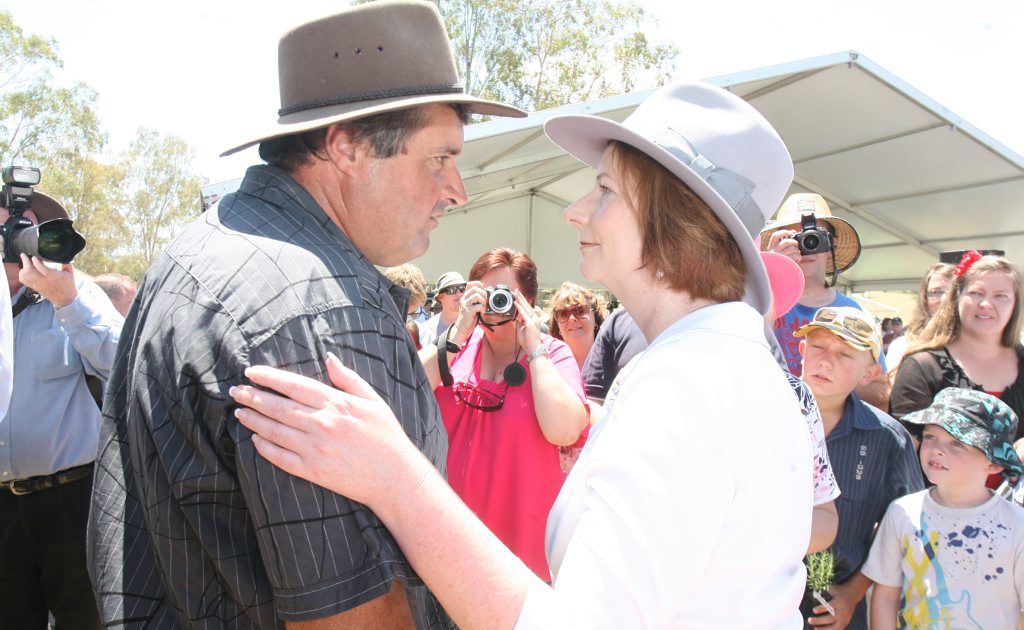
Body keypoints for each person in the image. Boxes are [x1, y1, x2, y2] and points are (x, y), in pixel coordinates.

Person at [231, 80, 815, 627]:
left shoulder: (689, 386)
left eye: (606, 188)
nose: (576, 209)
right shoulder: (720, 367)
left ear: (673, 219)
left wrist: (394, 476)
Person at [87, 2, 524, 628]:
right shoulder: (320, 311)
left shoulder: (199, 250)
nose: (457, 190)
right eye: (437, 159)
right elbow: (355, 612)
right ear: (345, 147)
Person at [415, 248, 589, 579]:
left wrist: (533, 347)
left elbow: (563, 430)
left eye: (505, 296)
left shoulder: (550, 354)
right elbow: (405, 389)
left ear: (529, 300)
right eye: (483, 293)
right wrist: (456, 334)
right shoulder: (455, 347)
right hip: (451, 539)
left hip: (522, 551)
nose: (494, 304)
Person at [1, 192, 122, 629]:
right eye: (8, 233)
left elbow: (124, 366)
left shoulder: (75, 289)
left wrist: (66, 302)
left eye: (25, 229)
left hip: (72, 503)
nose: (18, 242)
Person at [794, 307, 925, 629]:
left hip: (833, 607)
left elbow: (902, 529)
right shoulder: (758, 415)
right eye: (818, 346)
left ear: (869, 373)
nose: (826, 361)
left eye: (845, 354)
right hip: (754, 600)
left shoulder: (887, 439)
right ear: (801, 350)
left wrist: (853, 594)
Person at [862, 388, 1024, 629]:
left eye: (957, 443)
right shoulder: (902, 512)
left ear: (993, 464)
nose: (937, 449)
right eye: (930, 436)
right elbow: (885, 595)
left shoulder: (1016, 524)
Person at [891, 252, 1024, 444]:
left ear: (1015, 305)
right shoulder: (922, 367)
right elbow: (903, 453)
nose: (986, 304)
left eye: (1001, 296)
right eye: (976, 293)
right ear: (957, 297)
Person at [885, 263, 954, 369]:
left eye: (953, 292)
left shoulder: (975, 346)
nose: (944, 299)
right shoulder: (902, 346)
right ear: (924, 298)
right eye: (936, 292)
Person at [547, 282, 605, 369]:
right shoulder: (547, 364)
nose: (571, 318)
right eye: (563, 313)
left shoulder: (612, 359)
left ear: (595, 319)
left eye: (580, 311)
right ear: (557, 325)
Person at [419, 271, 465, 347]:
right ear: (440, 297)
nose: (458, 293)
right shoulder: (427, 330)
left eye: (462, 289)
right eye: (452, 289)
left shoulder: (476, 325)